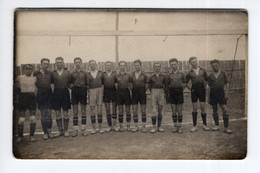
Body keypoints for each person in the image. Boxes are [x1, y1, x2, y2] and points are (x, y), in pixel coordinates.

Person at [207, 59, 232, 134]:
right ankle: (217, 125)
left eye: (216, 65)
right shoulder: (210, 76)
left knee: (225, 109)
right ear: (211, 67)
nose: (215, 67)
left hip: (221, 93)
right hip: (213, 94)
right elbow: (209, 87)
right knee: (214, 109)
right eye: (213, 66)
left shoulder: (223, 73)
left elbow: (227, 84)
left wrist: (226, 93)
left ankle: (226, 127)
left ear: (218, 65)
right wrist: (208, 97)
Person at [186, 57, 210, 132]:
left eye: (195, 61)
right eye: (193, 62)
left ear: (197, 61)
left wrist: (205, 86)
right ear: (190, 63)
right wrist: (190, 88)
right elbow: (185, 82)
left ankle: (205, 125)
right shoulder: (189, 72)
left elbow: (207, 80)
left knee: (203, 108)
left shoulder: (203, 70)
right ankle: (194, 126)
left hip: (202, 90)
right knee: (194, 108)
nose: (195, 63)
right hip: (194, 91)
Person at [33, 58, 54, 140]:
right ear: (41, 64)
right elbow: (33, 84)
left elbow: (52, 84)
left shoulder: (50, 73)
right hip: (40, 94)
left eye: (47, 64)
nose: (46, 65)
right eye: (44, 63)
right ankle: (45, 133)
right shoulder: (36, 73)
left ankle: (50, 131)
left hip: (48, 93)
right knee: (43, 114)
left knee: (49, 113)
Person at [15, 64, 37, 142]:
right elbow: (16, 88)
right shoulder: (19, 78)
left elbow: (37, 88)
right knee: (21, 119)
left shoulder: (34, 78)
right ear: (24, 70)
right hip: (22, 97)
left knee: (32, 118)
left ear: (32, 70)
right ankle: (20, 136)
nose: (28, 70)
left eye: (30, 69)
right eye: (26, 69)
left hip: (31, 98)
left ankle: (32, 136)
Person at [52, 57, 71, 137]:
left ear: (63, 63)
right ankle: (60, 131)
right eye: (58, 62)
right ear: (55, 63)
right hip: (56, 93)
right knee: (57, 113)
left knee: (65, 112)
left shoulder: (68, 72)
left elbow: (70, 83)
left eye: (60, 62)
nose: (59, 64)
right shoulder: (53, 73)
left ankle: (66, 130)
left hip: (65, 92)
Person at [167, 58, 186, 133]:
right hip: (172, 92)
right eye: (172, 64)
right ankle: (175, 126)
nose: (173, 66)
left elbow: (185, 83)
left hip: (179, 92)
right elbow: (167, 84)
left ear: (177, 64)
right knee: (173, 110)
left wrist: (180, 89)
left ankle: (180, 126)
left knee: (179, 110)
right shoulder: (169, 74)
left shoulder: (182, 73)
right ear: (170, 65)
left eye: (175, 64)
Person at [70, 57, 88, 137]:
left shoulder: (85, 72)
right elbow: (69, 83)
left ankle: (84, 129)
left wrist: (84, 89)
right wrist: (73, 87)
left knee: (83, 111)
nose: (77, 64)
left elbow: (87, 83)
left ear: (81, 63)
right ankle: (75, 129)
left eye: (79, 62)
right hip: (74, 92)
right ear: (74, 63)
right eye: (76, 62)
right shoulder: (71, 72)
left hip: (83, 91)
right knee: (75, 111)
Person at [130, 59, 149, 133]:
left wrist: (141, 91)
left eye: (138, 65)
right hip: (134, 93)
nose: (136, 67)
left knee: (143, 110)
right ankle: (136, 126)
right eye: (135, 65)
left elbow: (147, 86)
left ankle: (144, 126)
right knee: (134, 110)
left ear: (140, 66)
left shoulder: (145, 75)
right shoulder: (131, 75)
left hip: (142, 93)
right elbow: (130, 85)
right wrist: (134, 90)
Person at [149, 63, 167, 133]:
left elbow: (165, 86)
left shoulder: (163, 76)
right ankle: (153, 126)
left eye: (158, 66)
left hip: (161, 91)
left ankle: (159, 126)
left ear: (160, 67)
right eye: (156, 67)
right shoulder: (151, 76)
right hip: (154, 91)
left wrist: (164, 94)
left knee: (160, 108)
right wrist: (153, 92)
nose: (157, 68)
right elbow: (149, 87)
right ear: (154, 68)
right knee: (154, 109)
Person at [87, 60, 104, 134]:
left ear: (96, 65)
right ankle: (94, 128)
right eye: (91, 64)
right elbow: (87, 85)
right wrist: (88, 94)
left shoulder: (100, 73)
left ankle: (100, 127)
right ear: (89, 65)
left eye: (93, 64)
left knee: (99, 110)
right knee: (92, 111)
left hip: (99, 91)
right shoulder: (87, 74)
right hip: (91, 91)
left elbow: (103, 83)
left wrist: (102, 92)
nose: (92, 65)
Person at [115, 61, 132, 132]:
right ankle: (121, 126)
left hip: (126, 92)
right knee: (120, 110)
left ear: (126, 66)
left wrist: (130, 92)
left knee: (128, 110)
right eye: (121, 65)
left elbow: (131, 86)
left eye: (123, 65)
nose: (122, 67)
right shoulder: (116, 76)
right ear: (119, 67)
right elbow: (115, 86)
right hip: (119, 93)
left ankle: (128, 126)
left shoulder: (129, 75)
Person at [103, 61, 118, 131]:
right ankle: (109, 126)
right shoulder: (103, 74)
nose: (108, 66)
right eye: (107, 65)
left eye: (110, 65)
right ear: (105, 66)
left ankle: (114, 126)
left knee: (114, 109)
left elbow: (117, 84)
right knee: (108, 109)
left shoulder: (115, 74)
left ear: (111, 66)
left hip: (113, 91)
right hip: (106, 92)